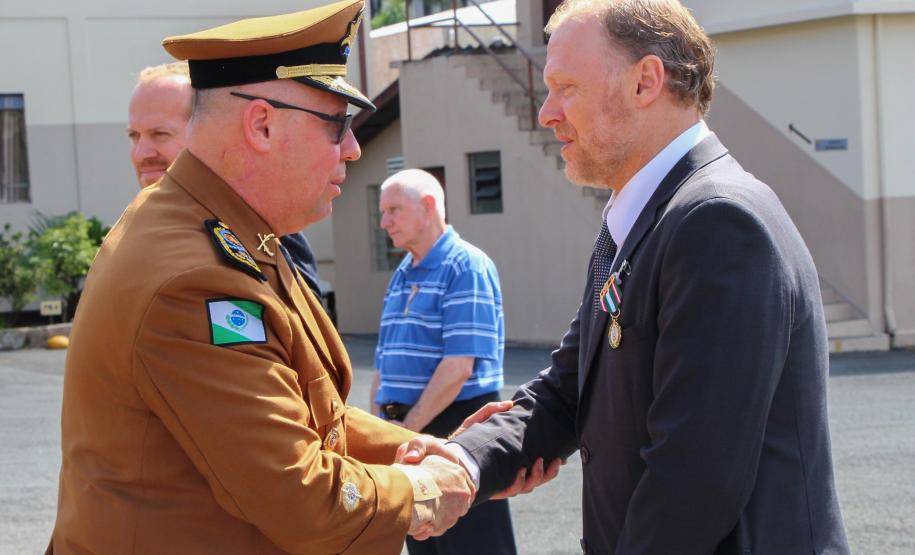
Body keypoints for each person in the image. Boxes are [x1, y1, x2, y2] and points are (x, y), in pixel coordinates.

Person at [400, 1, 851, 553]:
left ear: (646, 82)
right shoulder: (641, 219)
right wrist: (466, 462)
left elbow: (691, 484)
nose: (547, 112)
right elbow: (569, 390)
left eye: (567, 87)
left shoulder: (719, 223)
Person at [50, 2, 475, 554]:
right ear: (262, 123)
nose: (352, 148)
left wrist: (421, 449)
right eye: (337, 124)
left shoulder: (226, 229)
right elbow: (302, 497)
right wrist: (423, 489)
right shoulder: (195, 276)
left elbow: (309, 413)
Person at [372, 169, 517, 555]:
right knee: (427, 547)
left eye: (393, 210)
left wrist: (404, 434)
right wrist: (384, 431)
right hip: (413, 433)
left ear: (429, 206)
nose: (383, 221)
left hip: (454, 431)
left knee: (472, 548)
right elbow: (384, 361)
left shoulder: (465, 265)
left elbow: (458, 368)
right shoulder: (403, 273)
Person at [127, 61, 325, 297]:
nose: (141, 154)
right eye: (134, 136)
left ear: (204, 133)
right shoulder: (133, 236)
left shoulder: (262, 231)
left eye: (160, 134)